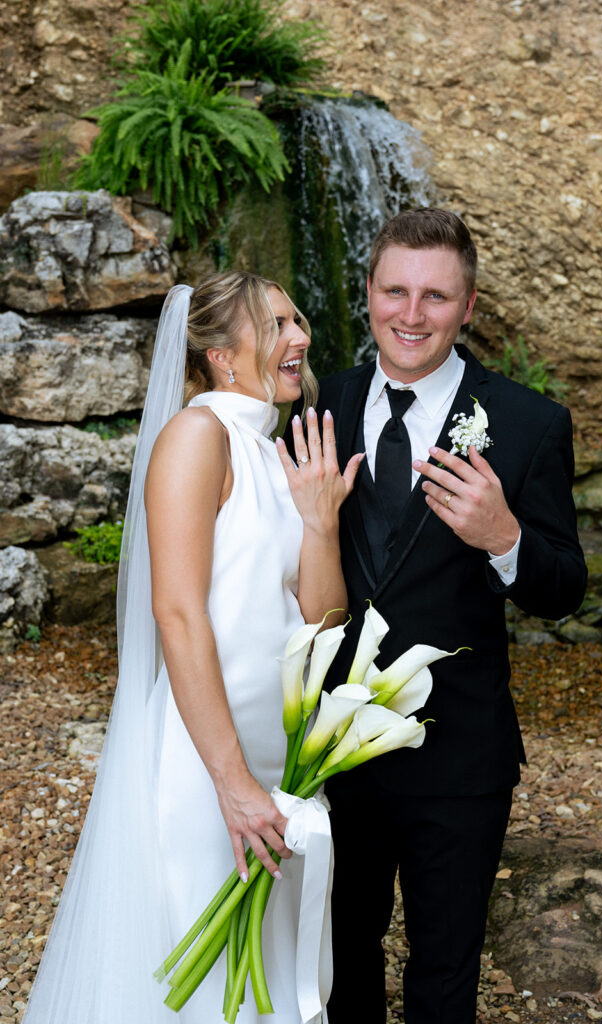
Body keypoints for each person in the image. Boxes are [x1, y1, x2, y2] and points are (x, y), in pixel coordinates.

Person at [22, 271, 363, 1024]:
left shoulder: (277, 452)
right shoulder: (196, 436)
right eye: (275, 324)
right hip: (208, 760)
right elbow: (176, 613)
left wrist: (320, 521)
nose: (300, 337)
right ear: (220, 354)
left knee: (264, 968)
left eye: (297, 318)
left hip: (280, 756)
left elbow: (324, 626)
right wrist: (232, 781)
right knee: (195, 975)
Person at [309, 208, 588, 1023]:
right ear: (367, 295)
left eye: (435, 296)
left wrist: (504, 539)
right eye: (394, 290)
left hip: (458, 754)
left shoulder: (531, 424)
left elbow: (562, 589)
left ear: (467, 307)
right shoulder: (316, 403)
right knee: (335, 962)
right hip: (331, 745)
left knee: (443, 973)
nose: (410, 313)